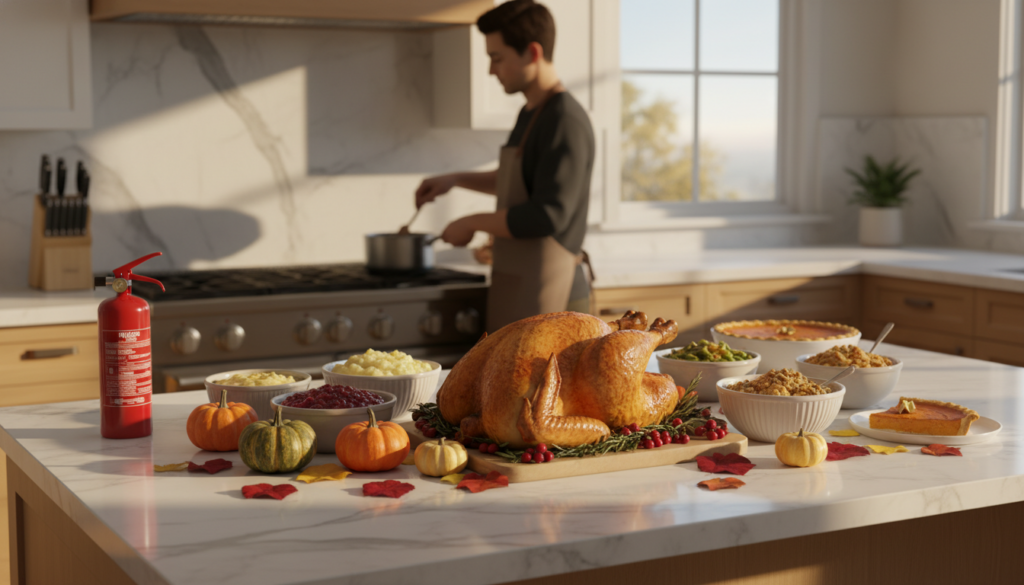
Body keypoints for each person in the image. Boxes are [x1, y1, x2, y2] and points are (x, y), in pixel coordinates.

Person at [414, 0, 595, 333]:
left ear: (532, 53)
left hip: (554, 291)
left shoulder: (564, 119)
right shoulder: (532, 112)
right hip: (520, 279)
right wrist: (454, 179)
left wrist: (471, 222)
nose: (491, 70)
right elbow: (517, 180)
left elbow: (547, 215)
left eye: (497, 58)